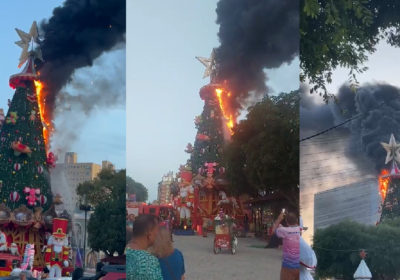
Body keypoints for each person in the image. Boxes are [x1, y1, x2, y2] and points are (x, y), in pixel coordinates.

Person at [126, 214, 163, 280]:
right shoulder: (150, 262)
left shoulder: (125, 252)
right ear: (150, 233)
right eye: (157, 231)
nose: (157, 235)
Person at [272, 211, 300, 280]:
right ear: (296, 220)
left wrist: (279, 219)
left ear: (287, 222)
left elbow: (273, 230)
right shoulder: (301, 229)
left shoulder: (284, 230)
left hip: (288, 266)